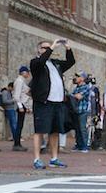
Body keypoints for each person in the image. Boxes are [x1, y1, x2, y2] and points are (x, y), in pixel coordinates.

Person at [29, 38, 75, 170]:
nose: (48, 49)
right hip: (44, 102)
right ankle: (37, 158)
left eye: (48, 47)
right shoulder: (36, 63)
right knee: (40, 131)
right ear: (39, 50)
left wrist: (67, 48)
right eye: (44, 48)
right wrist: (53, 46)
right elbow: (42, 60)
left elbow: (71, 62)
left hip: (58, 102)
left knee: (55, 131)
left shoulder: (55, 64)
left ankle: (54, 158)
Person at [11, 66, 31, 150]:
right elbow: (17, 95)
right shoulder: (19, 81)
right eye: (27, 72)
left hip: (23, 104)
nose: (28, 74)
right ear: (24, 72)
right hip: (21, 105)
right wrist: (20, 106)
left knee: (20, 125)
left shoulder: (21, 81)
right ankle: (16, 144)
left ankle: (17, 143)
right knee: (19, 125)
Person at [71, 72, 92, 153]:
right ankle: (78, 145)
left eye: (78, 76)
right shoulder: (76, 87)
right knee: (77, 128)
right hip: (76, 110)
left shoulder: (86, 87)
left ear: (82, 78)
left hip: (83, 110)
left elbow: (79, 96)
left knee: (82, 128)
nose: (76, 78)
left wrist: (73, 95)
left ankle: (85, 146)